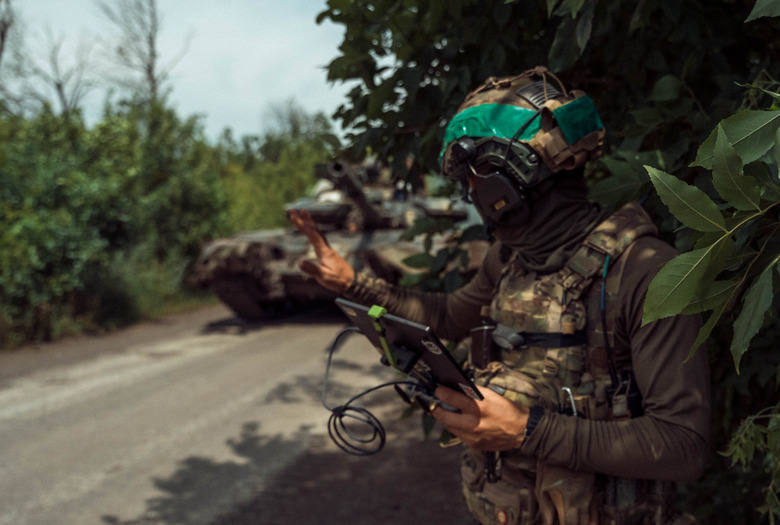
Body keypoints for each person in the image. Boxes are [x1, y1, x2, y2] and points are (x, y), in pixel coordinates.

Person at [289, 66, 711, 525]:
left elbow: (683, 446)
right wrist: (353, 283)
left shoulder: (645, 271)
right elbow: (450, 316)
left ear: (520, 171)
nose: (470, 192)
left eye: (479, 173)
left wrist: (527, 431)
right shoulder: (507, 259)